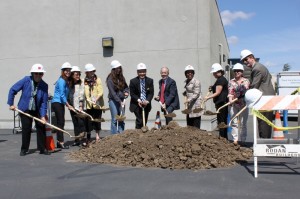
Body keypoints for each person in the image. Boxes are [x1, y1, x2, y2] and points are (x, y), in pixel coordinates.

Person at [7, 64, 50, 156]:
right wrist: (11, 104)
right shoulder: (26, 80)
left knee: (41, 126)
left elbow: (43, 102)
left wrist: (42, 116)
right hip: (25, 109)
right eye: (36, 73)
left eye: (40, 74)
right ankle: (24, 149)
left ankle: (42, 148)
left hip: (37, 109)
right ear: (32, 73)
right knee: (26, 129)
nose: (38, 75)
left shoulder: (44, 85)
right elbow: (12, 90)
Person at [240, 49, 275, 138]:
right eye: (243, 61)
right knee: (265, 122)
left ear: (251, 57)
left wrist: (245, 97)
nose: (245, 62)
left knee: (264, 122)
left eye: (246, 59)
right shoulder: (260, 67)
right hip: (266, 97)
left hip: (264, 99)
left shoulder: (257, 69)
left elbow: (254, 86)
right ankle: (264, 142)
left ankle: (264, 144)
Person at [51, 62, 73, 149]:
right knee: (60, 123)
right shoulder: (61, 81)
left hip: (60, 103)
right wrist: (68, 104)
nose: (68, 72)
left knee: (61, 122)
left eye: (69, 70)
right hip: (57, 103)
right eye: (66, 70)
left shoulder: (65, 80)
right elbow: (62, 95)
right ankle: (60, 142)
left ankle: (59, 142)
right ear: (63, 71)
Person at [228, 63, 250, 145]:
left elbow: (243, 91)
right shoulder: (231, 82)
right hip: (234, 105)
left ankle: (243, 139)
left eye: (239, 71)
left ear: (242, 72)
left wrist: (235, 97)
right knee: (234, 122)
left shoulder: (246, 81)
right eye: (235, 71)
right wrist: (230, 99)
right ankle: (235, 140)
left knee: (243, 123)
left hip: (244, 105)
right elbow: (230, 92)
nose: (237, 72)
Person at [204, 63, 229, 139]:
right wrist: (212, 87)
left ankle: (222, 138)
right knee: (222, 121)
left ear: (218, 71)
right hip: (222, 103)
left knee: (221, 122)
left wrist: (207, 97)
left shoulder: (220, 80)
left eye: (214, 73)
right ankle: (224, 138)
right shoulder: (221, 79)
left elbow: (218, 92)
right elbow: (218, 89)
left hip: (221, 104)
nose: (213, 74)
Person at [106, 60, 129, 134]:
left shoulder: (121, 77)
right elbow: (113, 93)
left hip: (122, 100)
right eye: (117, 68)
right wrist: (119, 101)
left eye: (119, 68)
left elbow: (126, 87)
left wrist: (126, 92)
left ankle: (121, 134)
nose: (118, 69)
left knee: (121, 118)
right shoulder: (110, 79)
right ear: (113, 69)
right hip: (113, 101)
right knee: (115, 119)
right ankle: (114, 136)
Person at [129, 63, 154, 129]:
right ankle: (137, 134)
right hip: (136, 104)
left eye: (143, 71)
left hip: (146, 103)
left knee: (144, 120)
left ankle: (143, 135)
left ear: (146, 71)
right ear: (137, 72)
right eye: (140, 72)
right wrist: (139, 100)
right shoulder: (133, 81)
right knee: (139, 120)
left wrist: (147, 101)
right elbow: (132, 94)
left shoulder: (150, 81)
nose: (142, 73)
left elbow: (151, 93)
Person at [84, 63, 104, 141]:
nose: (92, 73)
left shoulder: (98, 79)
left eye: (93, 71)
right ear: (86, 73)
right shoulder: (83, 81)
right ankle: (88, 136)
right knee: (88, 120)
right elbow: (82, 92)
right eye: (90, 72)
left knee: (97, 119)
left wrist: (96, 99)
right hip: (89, 104)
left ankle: (97, 136)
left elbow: (100, 91)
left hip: (97, 103)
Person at [68, 66, 86, 146]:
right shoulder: (69, 84)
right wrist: (69, 105)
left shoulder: (81, 82)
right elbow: (67, 95)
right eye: (76, 74)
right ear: (72, 75)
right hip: (72, 107)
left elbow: (82, 94)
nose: (78, 76)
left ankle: (83, 140)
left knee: (81, 123)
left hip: (80, 106)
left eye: (79, 74)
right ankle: (77, 139)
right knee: (75, 123)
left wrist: (81, 105)